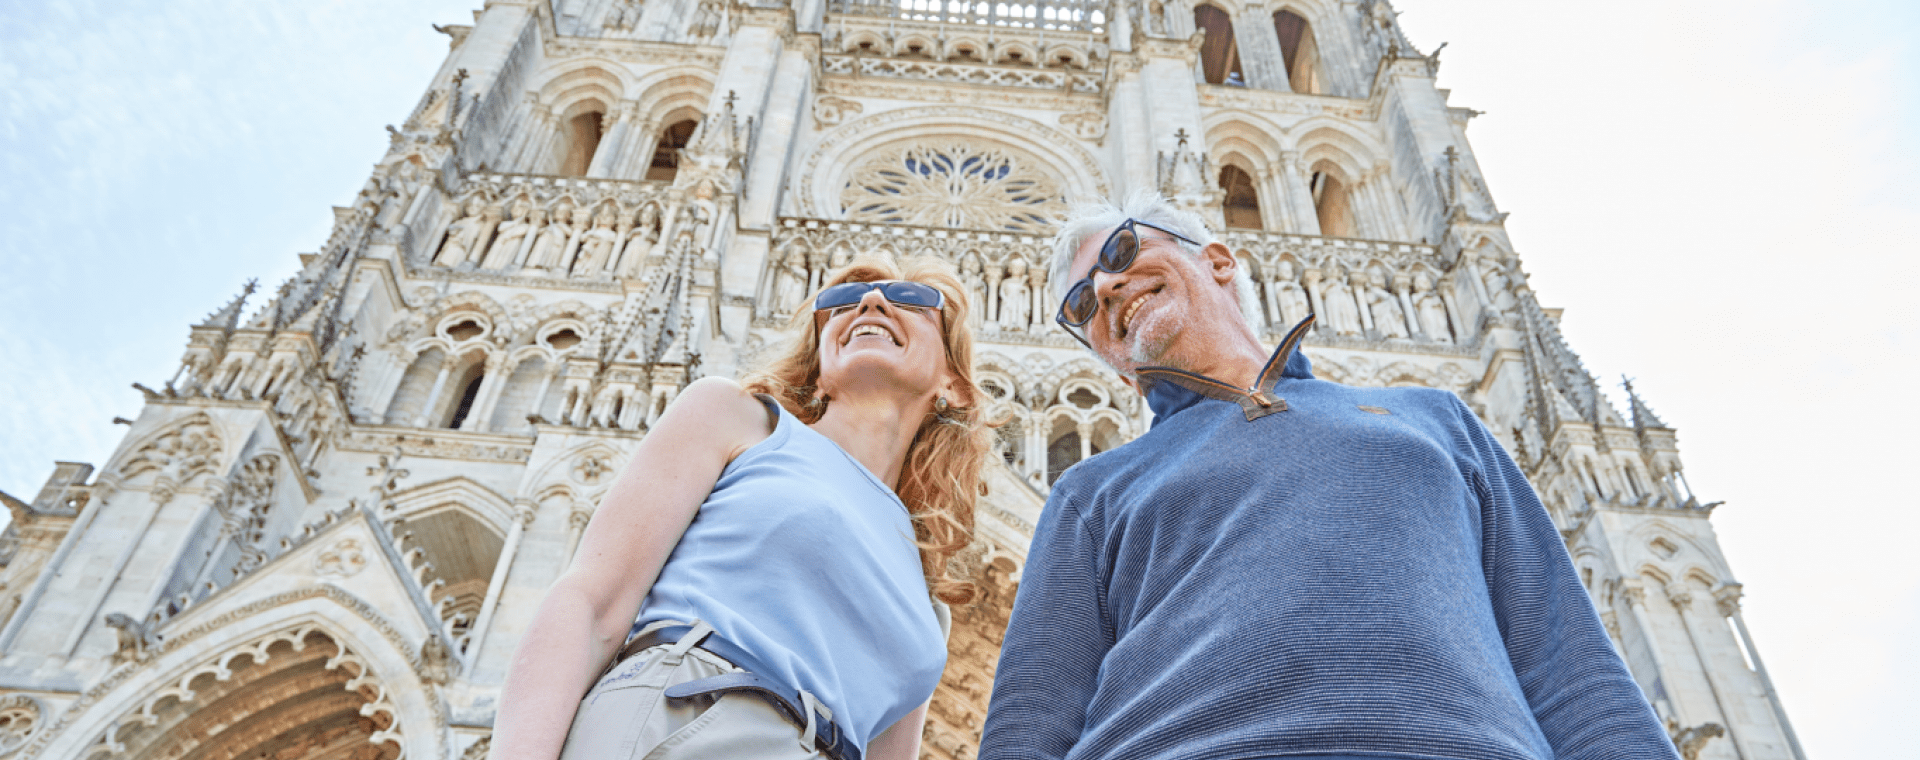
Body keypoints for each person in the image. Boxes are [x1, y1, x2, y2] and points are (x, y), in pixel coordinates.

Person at [978, 190, 1678, 760]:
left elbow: (1570, 667)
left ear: (1220, 261)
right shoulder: (1091, 492)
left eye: (1122, 251)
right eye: (1079, 306)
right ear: (1110, 361)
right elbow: (1029, 726)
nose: (1104, 286)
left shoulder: (1432, 418)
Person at [493, 255, 998, 760]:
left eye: (911, 300)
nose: (870, 301)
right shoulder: (739, 421)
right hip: (685, 713)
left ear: (951, 385)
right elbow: (591, 604)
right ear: (820, 371)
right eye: (840, 303)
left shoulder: (928, 604)